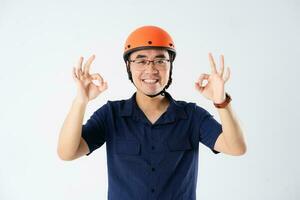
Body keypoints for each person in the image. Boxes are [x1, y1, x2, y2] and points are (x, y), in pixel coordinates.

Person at [57, 25, 247, 200]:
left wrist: (221, 101)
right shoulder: (111, 115)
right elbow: (67, 152)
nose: (151, 69)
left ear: (170, 66)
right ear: (128, 67)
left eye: (160, 60)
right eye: (141, 61)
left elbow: (236, 148)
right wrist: (81, 101)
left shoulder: (192, 116)